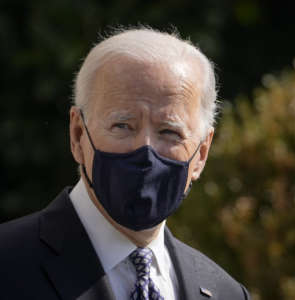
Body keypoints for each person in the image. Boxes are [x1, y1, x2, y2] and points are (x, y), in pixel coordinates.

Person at [0, 27, 250, 300]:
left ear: (201, 153)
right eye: (123, 126)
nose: (144, 149)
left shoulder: (227, 293)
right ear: (78, 134)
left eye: (169, 132)